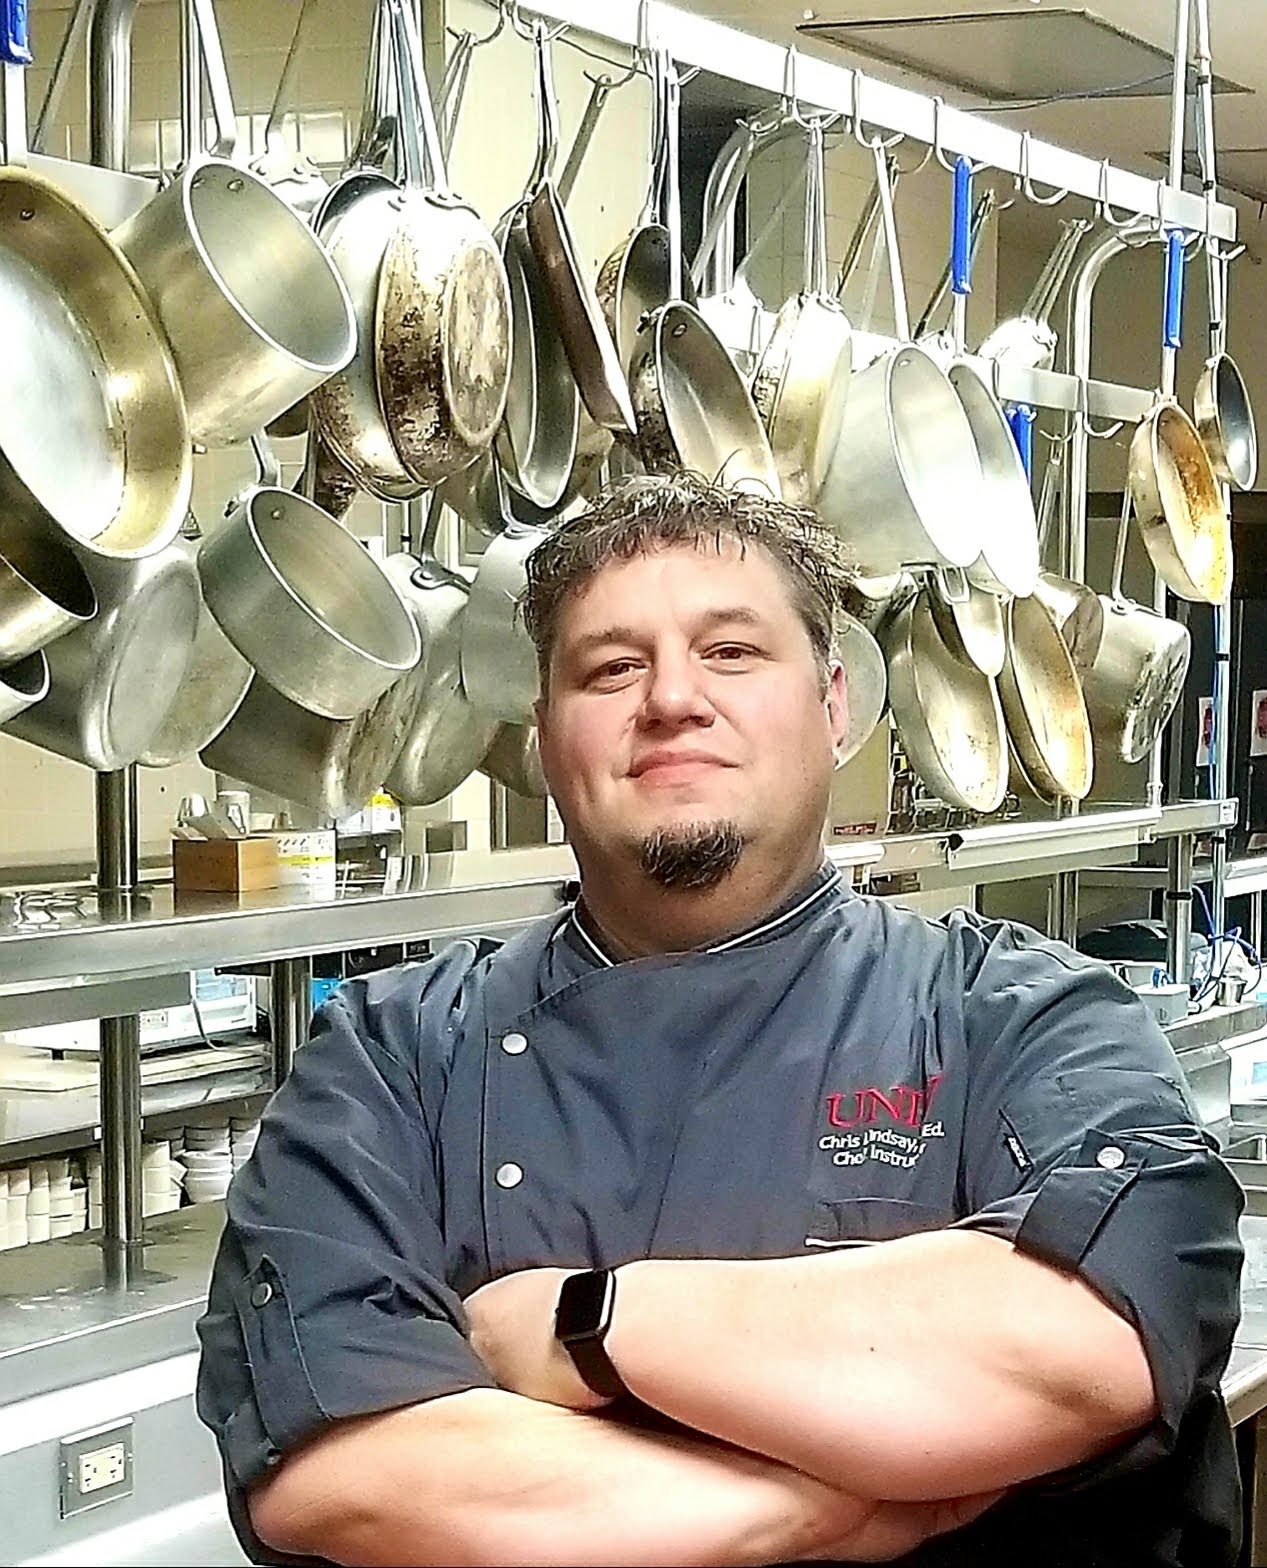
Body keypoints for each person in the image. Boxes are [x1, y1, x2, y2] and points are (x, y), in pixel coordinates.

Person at [197, 471, 1243, 1567]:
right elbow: (340, 1474)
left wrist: (587, 1324)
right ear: (545, 738)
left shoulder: (1016, 1015)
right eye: (611, 667)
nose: (671, 697)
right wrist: (829, 1508)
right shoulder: (397, 1055)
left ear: (834, 706)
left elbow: (1086, 1353)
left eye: (731, 650)